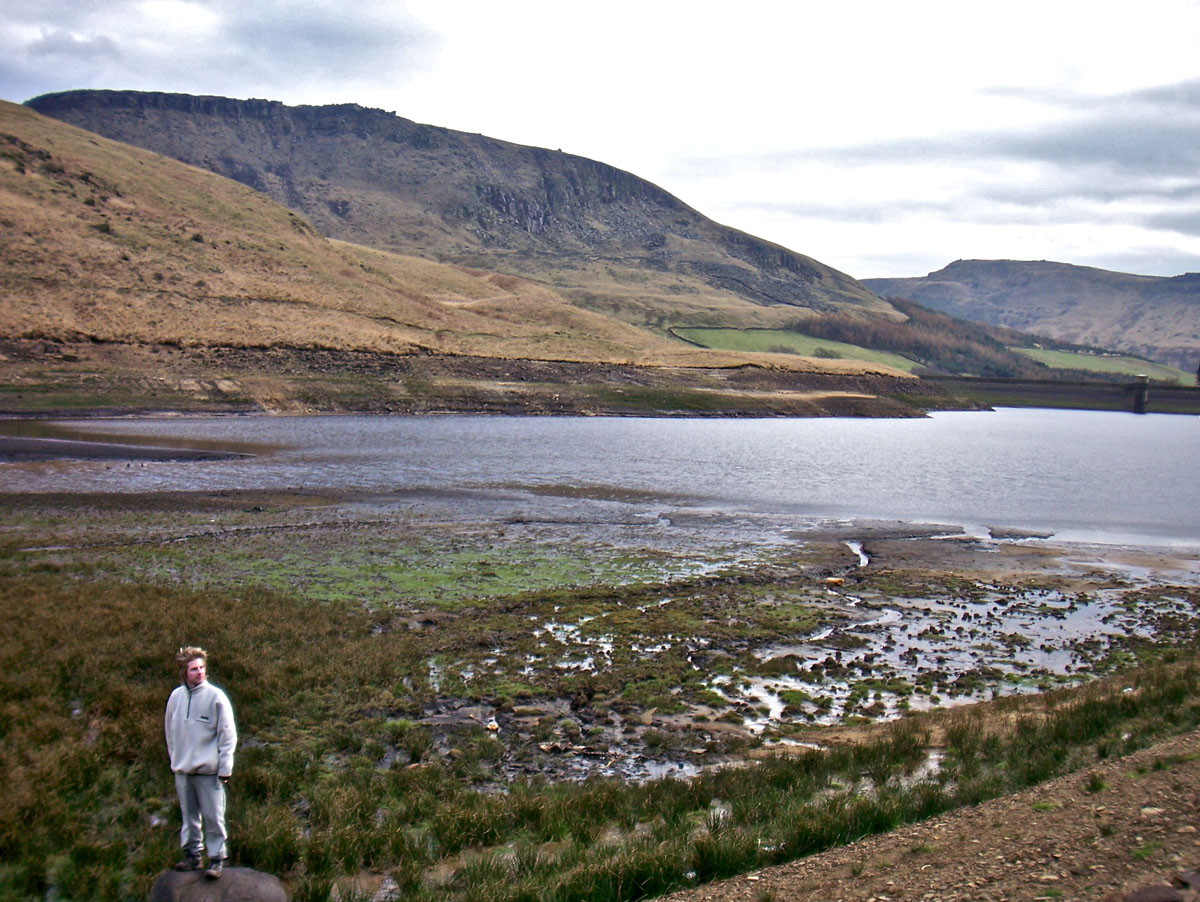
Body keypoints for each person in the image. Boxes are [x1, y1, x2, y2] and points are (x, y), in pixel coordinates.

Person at [165, 646, 237, 879]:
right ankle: (192, 855)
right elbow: (170, 731)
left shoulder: (216, 697)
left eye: (202, 668)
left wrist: (225, 768)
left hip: (209, 772)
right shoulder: (176, 697)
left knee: (214, 817)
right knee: (189, 817)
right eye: (194, 669)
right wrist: (175, 759)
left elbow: (228, 735)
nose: (199, 672)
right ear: (184, 672)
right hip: (183, 771)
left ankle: (217, 859)